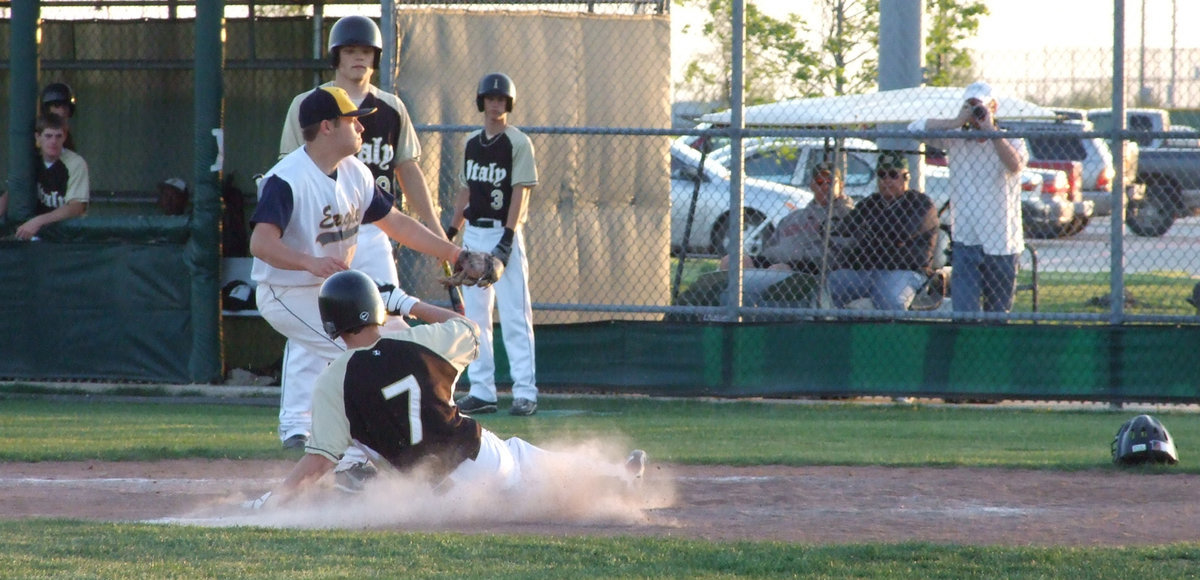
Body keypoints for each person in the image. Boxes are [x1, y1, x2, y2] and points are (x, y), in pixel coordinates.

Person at [242, 270, 646, 508]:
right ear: (376, 310)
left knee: (368, 468)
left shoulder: (333, 381)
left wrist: (272, 501)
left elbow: (317, 463)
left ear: (332, 324)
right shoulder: (418, 343)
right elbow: (469, 328)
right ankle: (610, 480)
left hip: (434, 498)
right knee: (520, 461)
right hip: (480, 460)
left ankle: (596, 488)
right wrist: (405, 303)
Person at [249, 86, 497, 468]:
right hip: (287, 290)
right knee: (360, 357)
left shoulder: (355, 173)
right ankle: (353, 461)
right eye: (353, 121)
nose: (362, 128)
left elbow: (396, 223)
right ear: (328, 127)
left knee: (390, 348)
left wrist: (455, 253)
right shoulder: (288, 179)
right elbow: (261, 243)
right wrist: (308, 263)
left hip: (327, 289)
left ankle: (408, 444)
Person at [276, 15, 446, 452]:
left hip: (375, 228)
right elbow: (287, 166)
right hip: (321, 229)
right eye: (351, 51)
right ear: (337, 57)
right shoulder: (310, 104)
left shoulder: (390, 107)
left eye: (366, 52)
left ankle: (398, 410)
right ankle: (297, 421)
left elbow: (408, 168)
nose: (359, 58)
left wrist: (432, 225)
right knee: (317, 319)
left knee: (388, 317)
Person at [446, 73, 540, 417]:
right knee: (475, 318)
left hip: (503, 233)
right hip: (474, 234)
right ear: (482, 102)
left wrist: (509, 238)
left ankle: (525, 392)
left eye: (502, 99)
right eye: (490, 98)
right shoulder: (471, 142)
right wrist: (452, 230)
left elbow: (521, 191)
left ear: (509, 104)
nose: (496, 103)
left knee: (515, 313)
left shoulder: (517, 142)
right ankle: (483, 390)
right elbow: (465, 189)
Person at [908, 81, 1029, 313]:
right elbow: (913, 129)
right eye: (971, 107)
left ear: (993, 107)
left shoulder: (1010, 139)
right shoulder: (955, 138)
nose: (976, 114)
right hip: (966, 238)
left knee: (998, 313)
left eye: (980, 107)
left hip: (1002, 241)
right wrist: (955, 121)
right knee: (965, 311)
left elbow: (1014, 165)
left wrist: (990, 131)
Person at [826, 151, 938, 311]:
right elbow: (845, 228)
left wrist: (868, 230)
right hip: (867, 270)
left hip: (905, 271)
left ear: (906, 177)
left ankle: (894, 335)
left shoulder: (921, 204)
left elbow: (900, 233)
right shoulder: (871, 202)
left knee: (890, 299)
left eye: (893, 175)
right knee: (832, 283)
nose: (887, 180)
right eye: (882, 175)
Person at [719, 162, 855, 274]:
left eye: (830, 182)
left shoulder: (847, 216)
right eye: (820, 182)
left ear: (841, 185)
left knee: (777, 271)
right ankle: (731, 303)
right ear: (812, 186)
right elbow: (770, 246)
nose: (825, 186)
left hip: (809, 268)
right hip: (774, 261)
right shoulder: (794, 217)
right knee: (730, 261)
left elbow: (837, 256)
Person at [5, 114, 90, 241]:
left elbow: (76, 207)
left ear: (64, 137)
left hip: (67, 238)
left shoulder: (75, 163)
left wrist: (38, 221)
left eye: (58, 136)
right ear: (38, 137)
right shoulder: (31, 160)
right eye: (48, 136)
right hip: (33, 235)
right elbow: (12, 193)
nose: (53, 141)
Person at [40, 82, 78, 151]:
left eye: (65, 106)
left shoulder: (67, 137)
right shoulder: (40, 134)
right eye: (57, 106)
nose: (62, 110)